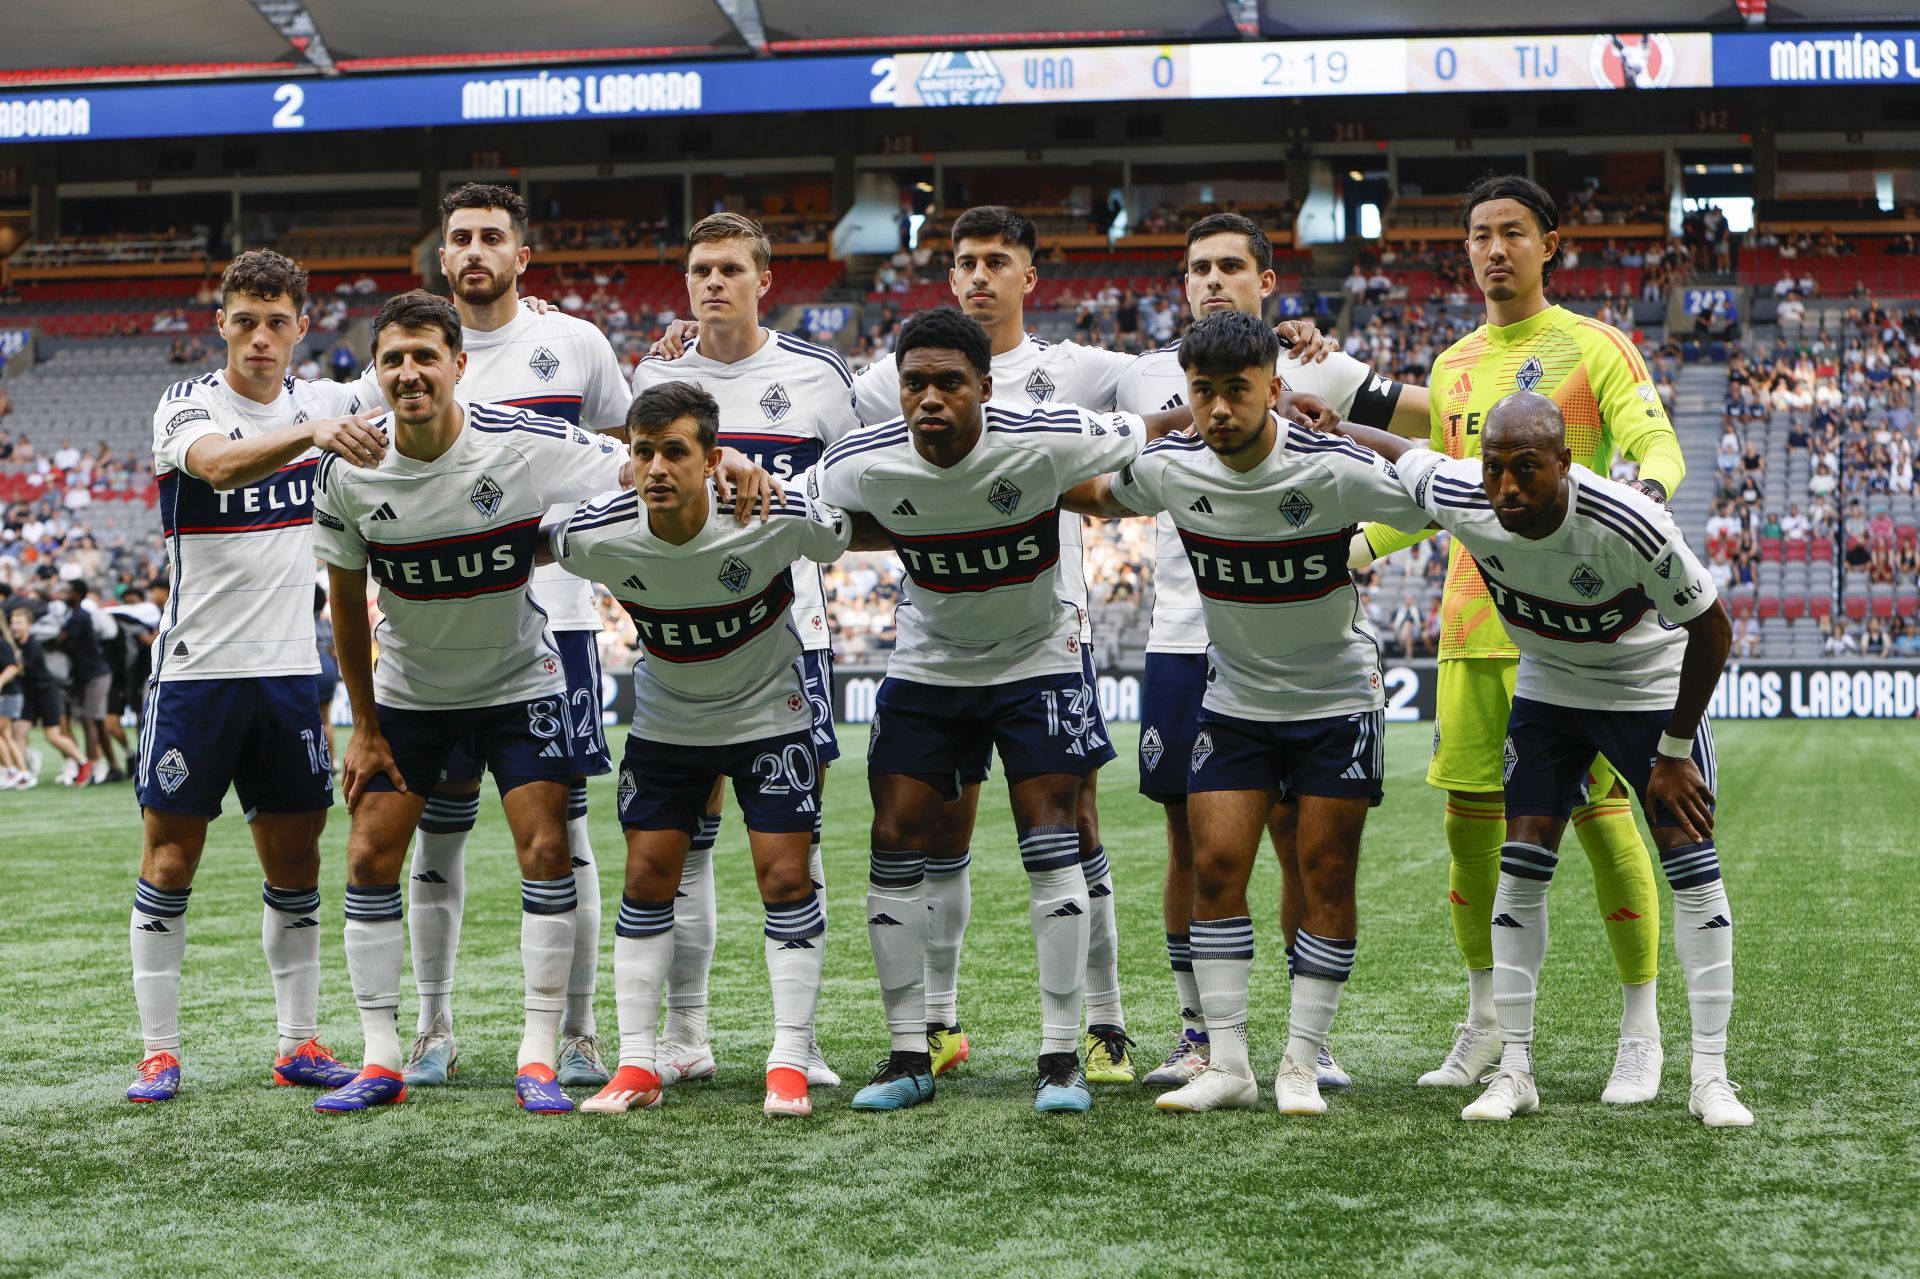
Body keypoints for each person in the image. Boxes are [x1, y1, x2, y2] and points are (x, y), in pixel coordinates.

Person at [1349, 174, 1688, 1104]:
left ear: (1549, 245)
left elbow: (1658, 448)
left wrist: (1642, 507)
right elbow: (1449, 497)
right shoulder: (1455, 365)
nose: (1494, 250)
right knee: (1470, 839)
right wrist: (1355, 545)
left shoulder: (1595, 346)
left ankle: (1640, 1030)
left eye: (1512, 233)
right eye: (1478, 236)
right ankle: (1486, 1022)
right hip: (1473, 628)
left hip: (1581, 641)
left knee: (1605, 825)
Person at [1333, 391, 1750, 1128]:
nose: (1507, 487)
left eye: (1526, 468)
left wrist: (1676, 750)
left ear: (1565, 463)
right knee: (1521, 860)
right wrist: (1332, 425)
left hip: (1644, 686)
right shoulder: (1468, 495)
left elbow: (1712, 627)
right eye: (1495, 469)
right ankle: (1516, 1068)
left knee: (1690, 860)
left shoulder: (1628, 523)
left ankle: (1710, 1075)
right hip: (1551, 686)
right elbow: (1404, 457)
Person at [1066, 310, 1430, 1114]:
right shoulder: (1174, 467)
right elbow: (1087, 489)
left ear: (1275, 387)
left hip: (1336, 701)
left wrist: (1359, 440)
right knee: (1217, 866)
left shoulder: (1330, 463)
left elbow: (1431, 491)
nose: (1220, 410)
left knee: (1324, 872)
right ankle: (1228, 1063)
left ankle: (1302, 1061)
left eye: (1238, 391)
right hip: (1232, 702)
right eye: (1203, 394)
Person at [812, 308, 1147, 1114]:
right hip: (929, 667)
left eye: (949, 382)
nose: (930, 398)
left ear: (984, 389)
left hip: (1039, 658)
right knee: (894, 835)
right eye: (915, 383)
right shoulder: (862, 457)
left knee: (1051, 834)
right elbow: (802, 507)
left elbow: (1148, 429)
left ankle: (1062, 1055)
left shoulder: (1044, 434)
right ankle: (906, 1052)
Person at [310, 291, 636, 1115]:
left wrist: (725, 461)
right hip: (410, 698)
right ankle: (382, 1055)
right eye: (393, 360)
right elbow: (346, 604)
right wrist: (364, 727)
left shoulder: (521, 441)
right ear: (375, 373)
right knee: (367, 857)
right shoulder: (349, 467)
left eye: (426, 356)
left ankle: (538, 1055)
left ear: (459, 364)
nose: (410, 373)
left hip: (519, 685)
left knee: (546, 850)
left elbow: (631, 463)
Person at [543, 381, 852, 1118]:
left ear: (711, 458)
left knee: (784, 877)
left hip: (768, 716)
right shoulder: (598, 534)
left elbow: (836, 532)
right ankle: (639, 1063)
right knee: (648, 877)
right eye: (642, 451)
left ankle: (787, 1061)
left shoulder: (767, 513)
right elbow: (552, 536)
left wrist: (767, 476)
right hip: (667, 723)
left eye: (673, 452)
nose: (655, 467)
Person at [126, 249, 384, 1104]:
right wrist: (309, 435)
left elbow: (438, 364)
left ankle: (297, 1043)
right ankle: (159, 1050)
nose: (261, 338)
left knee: (298, 865)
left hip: (286, 678)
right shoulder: (190, 402)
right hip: (196, 676)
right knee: (169, 861)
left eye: (278, 322)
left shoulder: (330, 400)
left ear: (303, 327)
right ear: (222, 324)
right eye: (245, 321)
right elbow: (218, 465)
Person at [628, 212, 860, 1091]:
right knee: (684, 840)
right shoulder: (659, 370)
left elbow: (853, 490)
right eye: (698, 270)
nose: (713, 283)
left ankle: (795, 1040)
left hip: (794, 631)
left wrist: (780, 488)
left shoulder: (819, 375)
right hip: (687, 639)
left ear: (765, 278)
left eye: (730, 268)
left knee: (793, 837)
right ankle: (683, 1033)